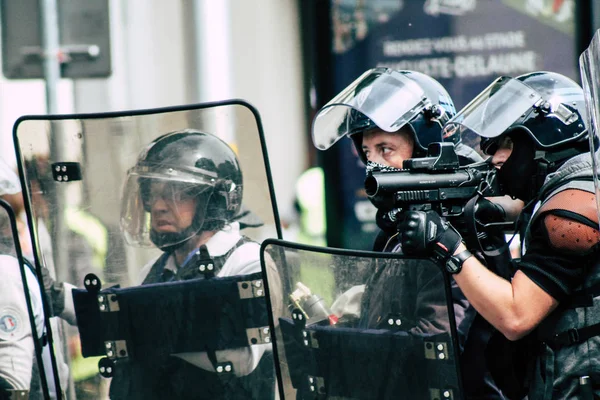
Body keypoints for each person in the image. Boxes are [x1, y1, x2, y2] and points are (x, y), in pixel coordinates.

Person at [399, 71, 595, 399]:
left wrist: (448, 246)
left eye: (506, 143)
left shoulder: (571, 213)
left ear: (544, 138)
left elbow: (516, 316)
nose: (495, 157)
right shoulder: (575, 189)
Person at [110, 129, 280, 400]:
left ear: (211, 201)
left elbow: (242, 358)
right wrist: (62, 300)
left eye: (176, 193)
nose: (159, 206)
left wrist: (149, 333)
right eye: (152, 194)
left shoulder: (247, 261)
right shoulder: (154, 270)